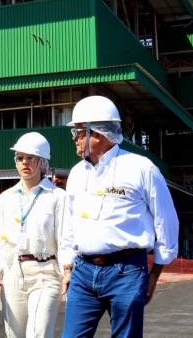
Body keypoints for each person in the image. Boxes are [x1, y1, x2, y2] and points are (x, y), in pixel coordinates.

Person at [60, 96, 179, 338]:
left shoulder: (141, 168)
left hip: (126, 272)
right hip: (83, 272)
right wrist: (68, 267)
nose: (75, 139)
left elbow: (166, 221)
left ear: (98, 134)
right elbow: (69, 224)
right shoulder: (76, 174)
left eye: (79, 133)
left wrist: (155, 273)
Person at [0, 132, 72, 338]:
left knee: (38, 333)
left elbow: (66, 236)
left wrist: (68, 270)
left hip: (45, 274)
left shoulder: (58, 197)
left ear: (43, 162)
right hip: (13, 273)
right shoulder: (6, 198)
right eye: (20, 158)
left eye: (31, 158)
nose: (25, 163)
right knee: (14, 334)